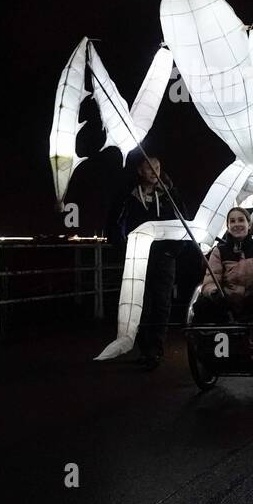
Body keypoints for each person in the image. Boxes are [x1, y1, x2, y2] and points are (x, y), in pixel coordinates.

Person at [105, 153, 185, 369]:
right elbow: (113, 225)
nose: (154, 171)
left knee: (161, 302)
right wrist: (124, 251)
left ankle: (156, 349)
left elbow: (183, 224)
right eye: (149, 167)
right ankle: (143, 348)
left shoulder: (170, 195)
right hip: (136, 257)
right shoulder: (128, 195)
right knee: (140, 303)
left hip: (163, 258)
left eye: (157, 167)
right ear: (140, 170)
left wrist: (172, 252)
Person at [192, 207, 253, 325]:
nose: (237, 224)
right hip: (225, 302)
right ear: (228, 227)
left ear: (249, 224)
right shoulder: (219, 251)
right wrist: (215, 293)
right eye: (232, 221)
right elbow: (210, 280)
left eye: (241, 220)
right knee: (202, 305)